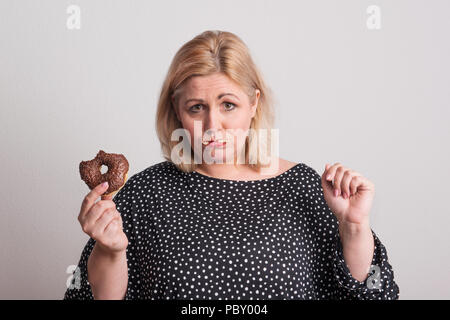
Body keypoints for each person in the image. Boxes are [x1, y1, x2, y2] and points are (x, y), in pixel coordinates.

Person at [64, 30, 399, 300]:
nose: (213, 126)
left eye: (228, 105)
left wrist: (355, 225)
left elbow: (365, 294)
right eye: (196, 107)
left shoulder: (306, 187)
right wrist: (110, 250)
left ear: (254, 103)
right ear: (176, 110)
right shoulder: (145, 193)